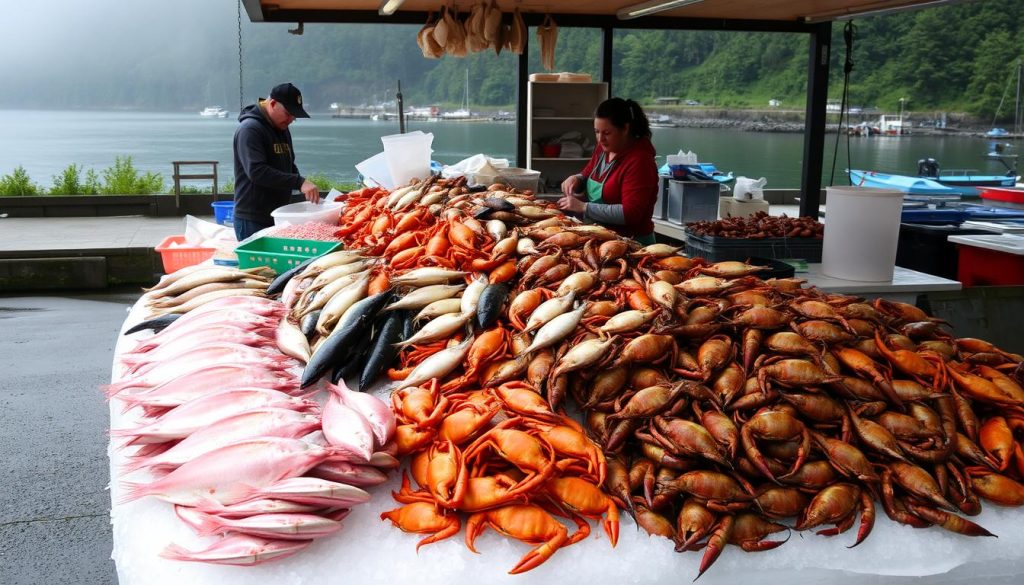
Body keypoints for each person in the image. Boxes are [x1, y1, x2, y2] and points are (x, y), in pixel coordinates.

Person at [558, 97, 659, 246]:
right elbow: (588, 172)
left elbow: (631, 213)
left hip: (632, 243)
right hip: (602, 237)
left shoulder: (640, 161)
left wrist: (583, 207)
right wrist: (577, 179)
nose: (600, 139)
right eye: (597, 132)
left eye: (606, 133)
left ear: (625, 129)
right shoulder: (604, 148)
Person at [232, 82, 321, 241]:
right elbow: (257, 172)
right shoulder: (250, 129)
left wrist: (305, 192)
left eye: (294, 115)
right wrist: (299, 182)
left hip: (277, 214)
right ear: (272, 104)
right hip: (253, 218)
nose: (291, 119)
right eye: (288, 113)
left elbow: (289, 165)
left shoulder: (282, 128)